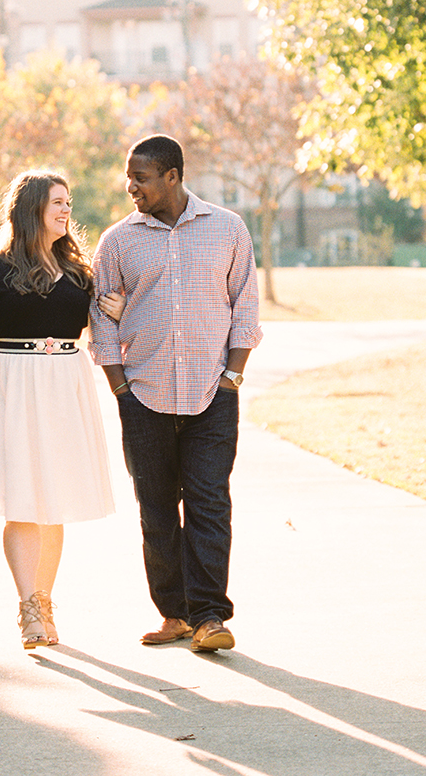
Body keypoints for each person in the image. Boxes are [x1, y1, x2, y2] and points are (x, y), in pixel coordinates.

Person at [89, 134, 262, 653]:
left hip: (213, 394)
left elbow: (245, 309)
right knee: (157, 508)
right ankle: (174, 613)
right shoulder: (118, 241)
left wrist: (232, 377)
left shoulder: (227, 229)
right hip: (144, 395)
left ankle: (209, 616)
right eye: (129, 177)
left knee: (210, 502)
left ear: (171, 176)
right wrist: (120, 387)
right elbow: (101, 318)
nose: (130, 186)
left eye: (140, 177)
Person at [0, 170, 124, 649]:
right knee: (21, 500)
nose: (67, 210)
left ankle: (44, 600)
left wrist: (117, 311)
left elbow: (99, 330)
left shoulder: (79, 270)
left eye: (68, 202)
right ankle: (28, 609)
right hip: (9, 385)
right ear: (31, 210)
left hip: (65, 385)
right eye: (57, 202)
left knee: (55, 500)